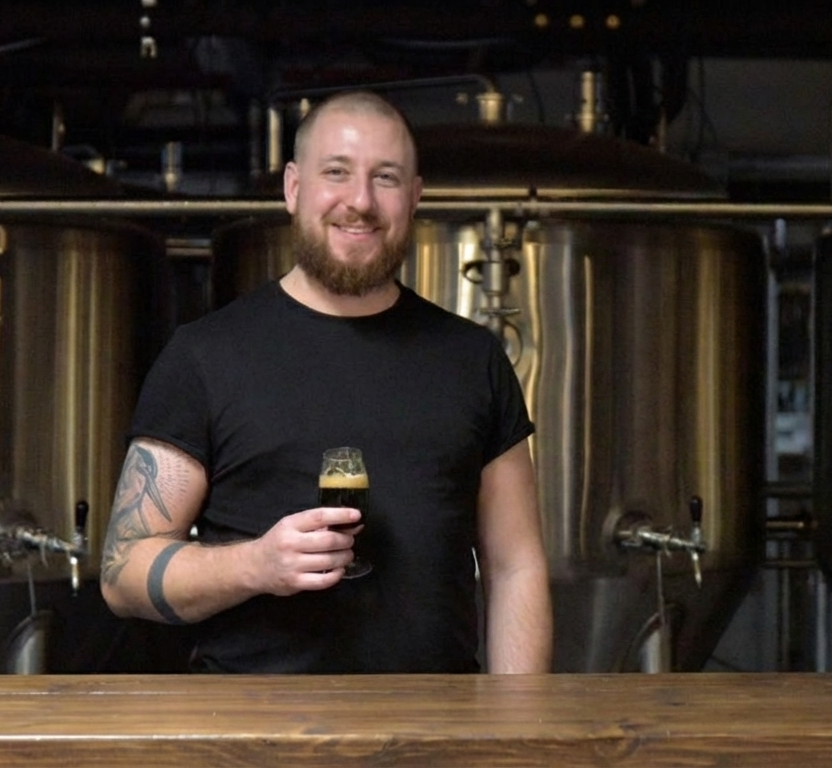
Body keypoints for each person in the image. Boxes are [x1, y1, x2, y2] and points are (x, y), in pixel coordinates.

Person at [99, 90, 553, 674]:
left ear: (415, 198)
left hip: (436, 738)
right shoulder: (205, 356)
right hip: (256, 744)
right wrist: (256, 565)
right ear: (293, 188)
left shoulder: (472, 360)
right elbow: (122, 572)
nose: (359, 201)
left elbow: (516, 566)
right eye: (336, 173)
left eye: (385, 178)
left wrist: (517, 740)